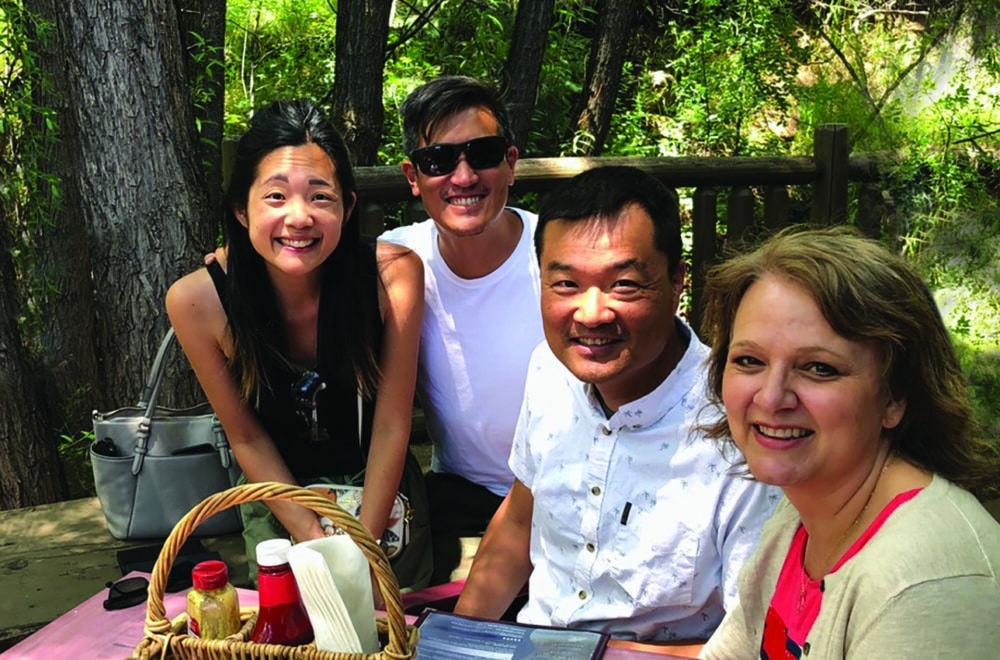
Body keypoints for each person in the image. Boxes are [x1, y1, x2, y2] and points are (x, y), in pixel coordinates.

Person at [453, 165, 780, 646]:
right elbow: (521, 518)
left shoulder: (735, 425)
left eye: (624, 284)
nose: (591, 313)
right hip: (531, 647)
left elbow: (749, 640)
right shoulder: (549, 369)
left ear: (676, 284)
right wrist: (458, 642)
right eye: (565, 284)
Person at [166, 98, 432, 591]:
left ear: (348, 207)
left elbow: (393, 426)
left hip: (381, 493)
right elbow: (245, 437)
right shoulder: (198, 303)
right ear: (241, 211)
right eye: (274, 197)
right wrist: (315, 540)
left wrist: (360, 551)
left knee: (397, 628)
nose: (299, 217)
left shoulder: (392, 277)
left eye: (320, 197)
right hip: (278, 499)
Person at [698, 225, 1000, 658]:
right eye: (749, 360)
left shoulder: (925, 584)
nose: (771, 397)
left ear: (895, 396)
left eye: (819, 368)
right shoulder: (804, 513)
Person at [380, 76, 544, 582]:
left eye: (483, 153)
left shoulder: (558, 254)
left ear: (511, 163)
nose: (464, 175)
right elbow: (303, 271)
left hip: (566, 490)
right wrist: (241, 258)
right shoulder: (396, 260)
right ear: (413, 175)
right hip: (461, 495)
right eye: (439, 160)